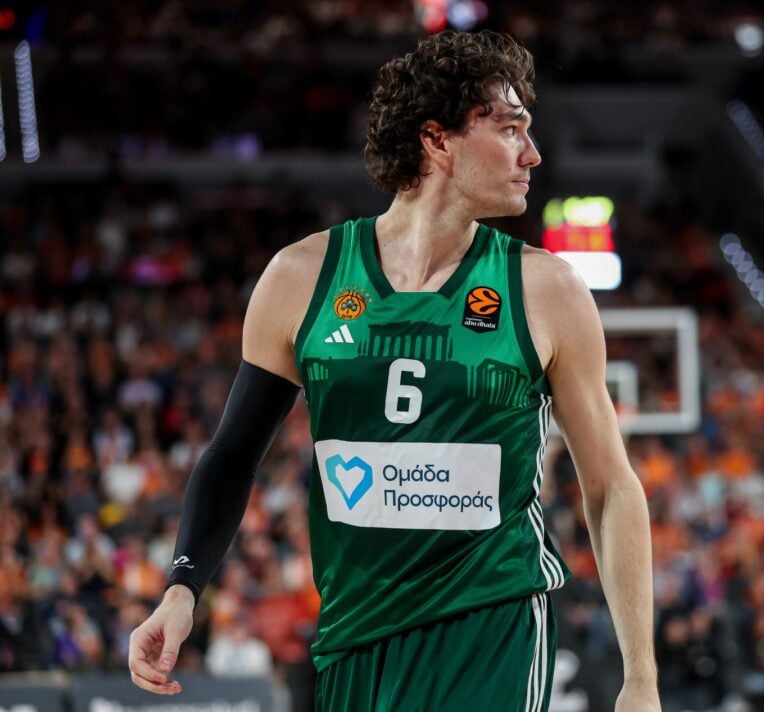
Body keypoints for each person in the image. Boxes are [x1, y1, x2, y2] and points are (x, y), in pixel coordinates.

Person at [127, 30, 659, 712]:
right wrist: (182, 588)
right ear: (437, 140)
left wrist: (641, 679)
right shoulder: (302, 278)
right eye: (509, 129)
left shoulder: (545, 289)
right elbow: (232, 456)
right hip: (354, 637)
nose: (532, 153)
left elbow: (611, 487)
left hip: (492, 626)